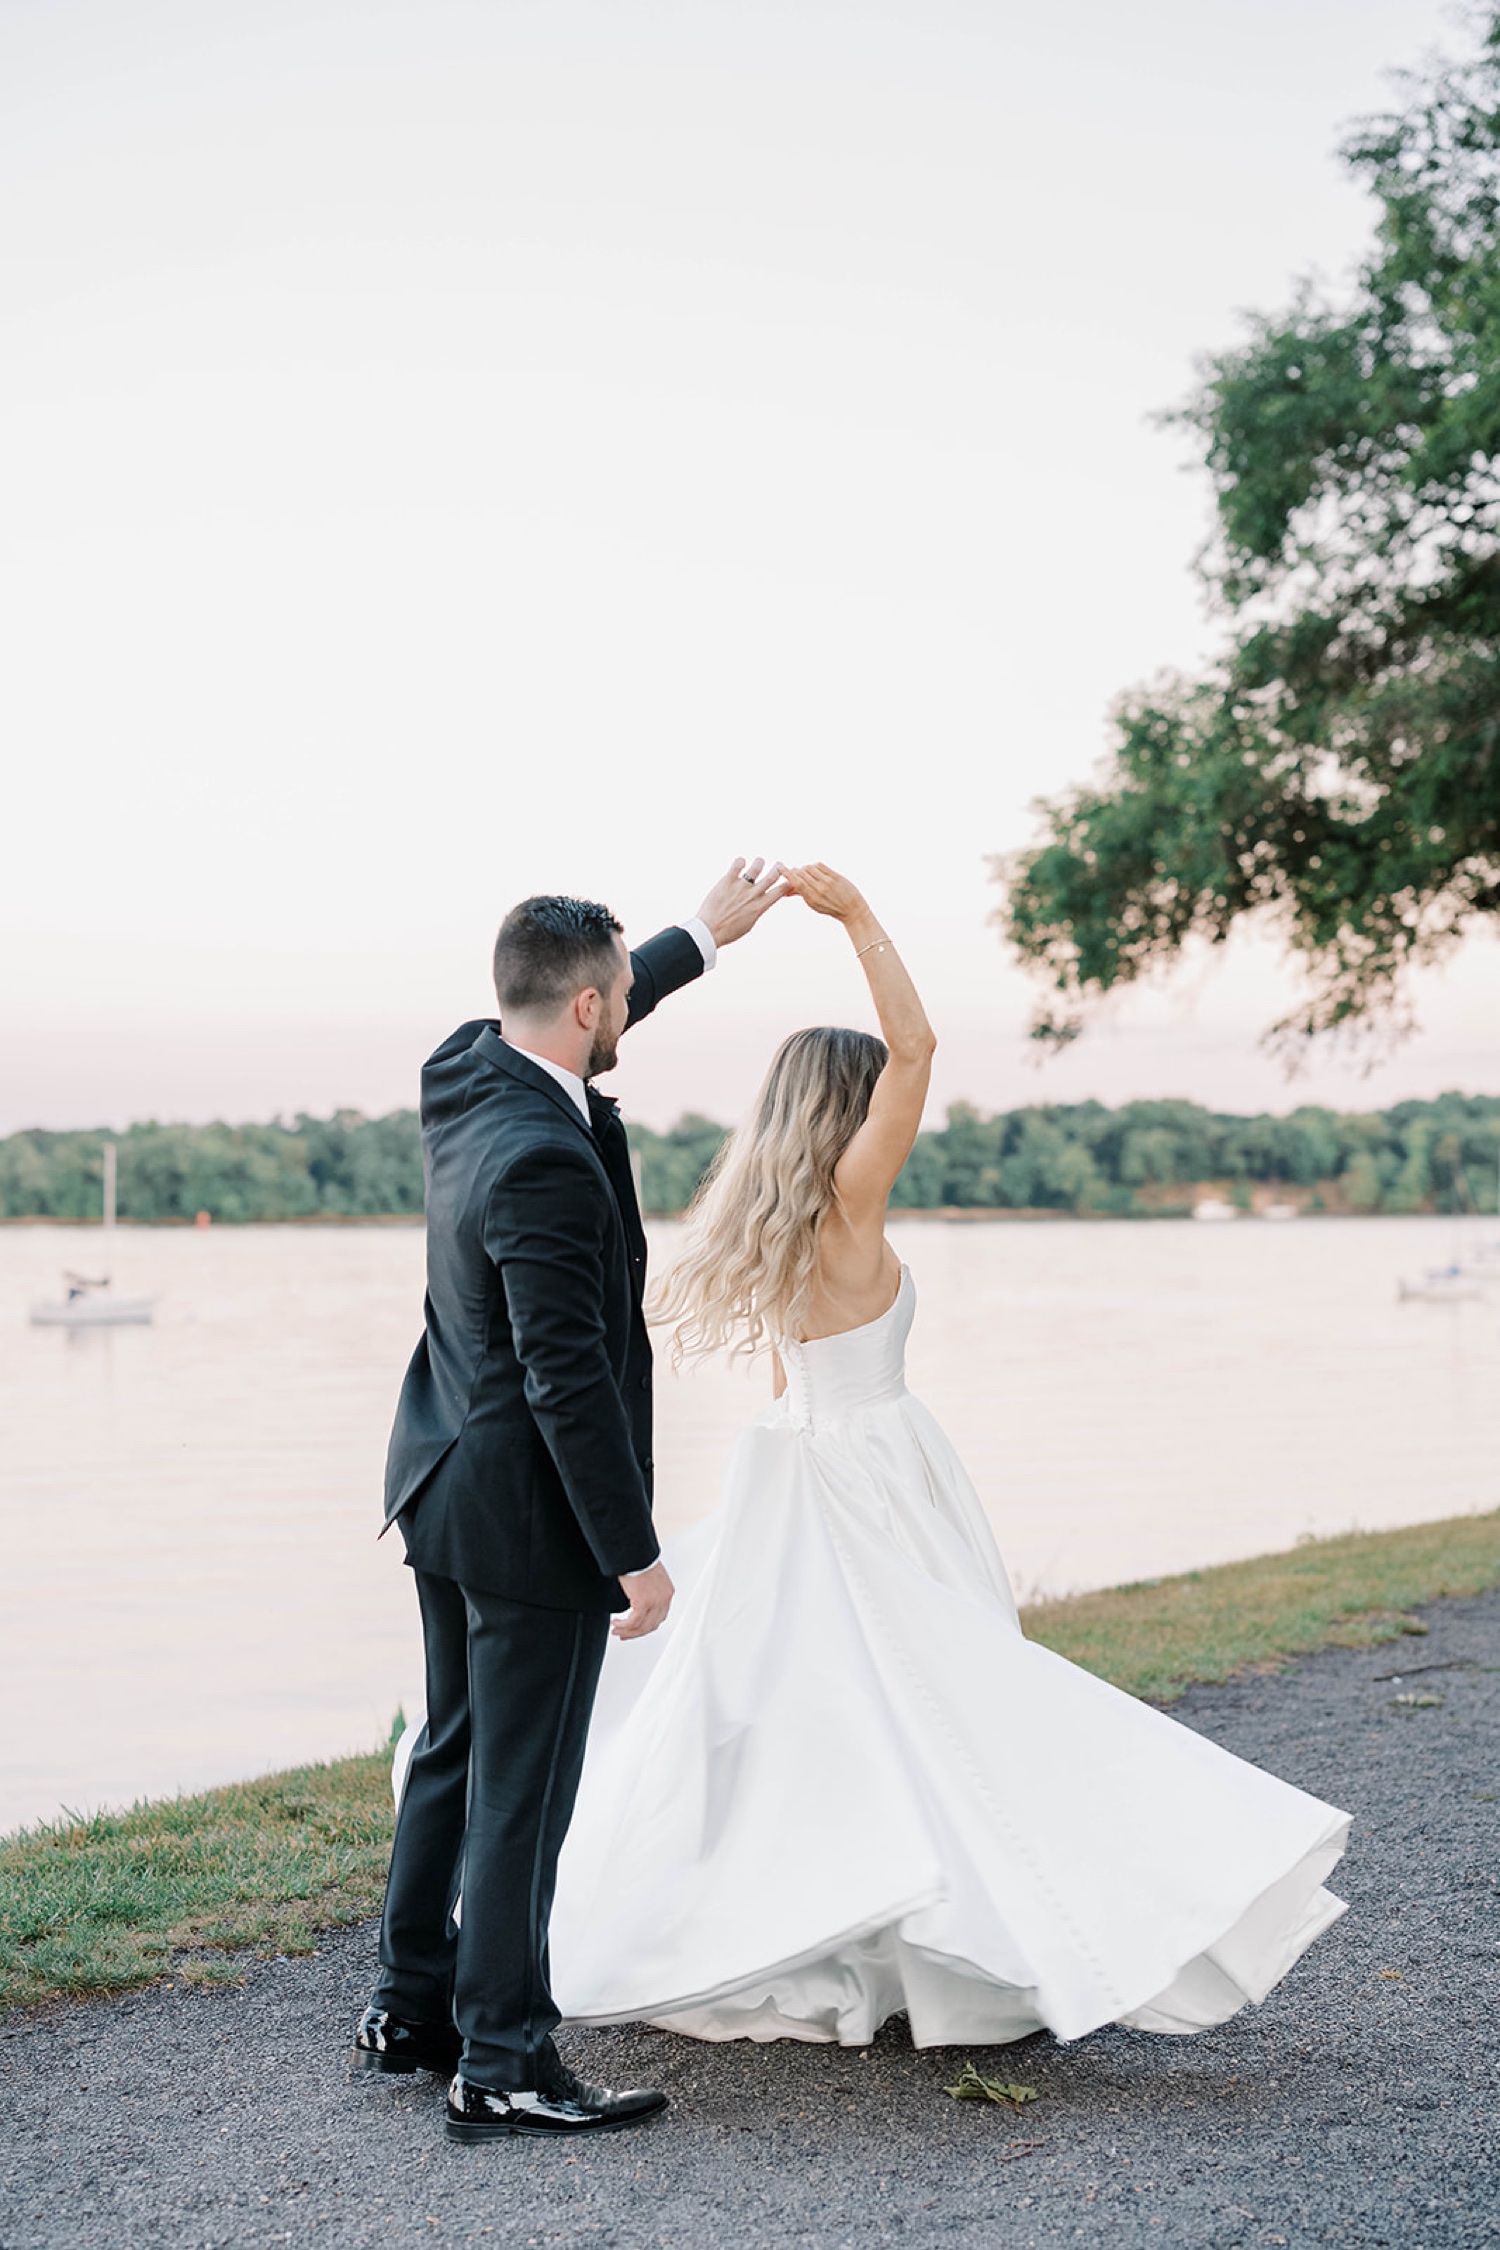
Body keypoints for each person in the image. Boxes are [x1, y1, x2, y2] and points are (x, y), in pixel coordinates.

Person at [533, 863, 1351, 2050]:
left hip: (795, 1470)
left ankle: (865, 1927)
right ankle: (947, 1929)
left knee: (836, 1716)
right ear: (852, 1112)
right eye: (873, 1108)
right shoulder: (852, 1208)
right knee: (947, 1703)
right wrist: (861, 919)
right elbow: (915, 1053)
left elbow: (785, 1386)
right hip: (874, 1478)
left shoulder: (782, 1229)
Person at [354, 858, 786, 2142]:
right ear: (589, 1012)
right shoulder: (544, 1153)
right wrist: (633, 1552)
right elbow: (568, 1381)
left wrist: (700, 937)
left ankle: (409, 2006)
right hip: (527, 1510)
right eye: (616, 997)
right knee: (522, 1788)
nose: (618, 1012)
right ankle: (501, 2060)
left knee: (452, 1748)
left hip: (438, 1480)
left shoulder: (463, 1071)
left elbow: (597, 992)